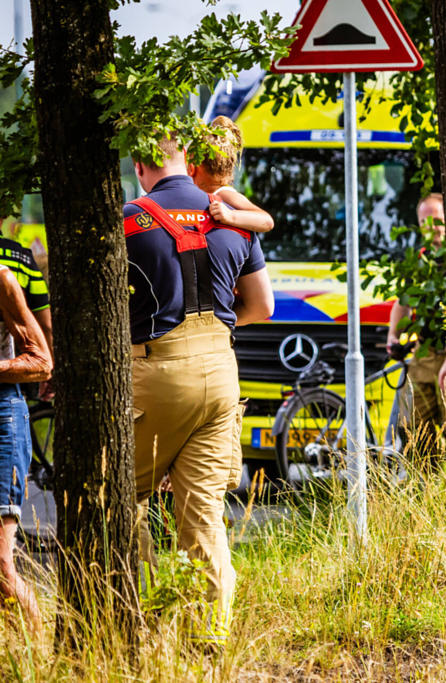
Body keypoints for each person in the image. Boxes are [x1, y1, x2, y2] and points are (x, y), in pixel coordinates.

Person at [125, 133, 274, 645]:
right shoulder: (230, 213)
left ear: (141, 164)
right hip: (221, 374)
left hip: (157, 372)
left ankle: (136, 624)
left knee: (121, 498)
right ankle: (210, 638)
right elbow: (262, 308)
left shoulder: (128, 219)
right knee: (203, 510)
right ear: (185, 161)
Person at [0, 267, 52, 635]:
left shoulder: (1, 278)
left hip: (2, 419)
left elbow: (41, 362)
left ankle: (33, 662)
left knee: (1, 567)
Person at [386, 193, 446, 451]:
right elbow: (402, 302)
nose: (431, 228)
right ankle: (426, 485)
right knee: (415, 430)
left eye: (437, 220)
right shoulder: (418, 260)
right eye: (424, 222)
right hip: (423, 352)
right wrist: (393, 335)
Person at [187, 115, 274, 234]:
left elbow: (267, 221)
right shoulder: (208, 194)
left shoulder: (224, 194)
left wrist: (231, 215)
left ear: (192, 169)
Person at [0, 234, 54, 400]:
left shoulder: (4, 276)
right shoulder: (20, 256)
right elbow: (46, 324)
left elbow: (41, 362)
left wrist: (47, 369)